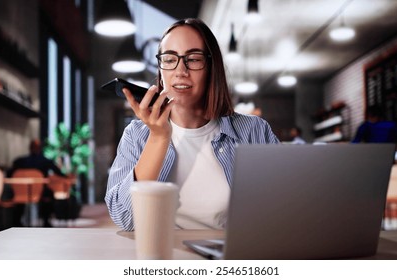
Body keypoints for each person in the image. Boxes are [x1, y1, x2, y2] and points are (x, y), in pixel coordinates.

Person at [105, 18, 280, 231]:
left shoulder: (254, 131)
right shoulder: (136, 135)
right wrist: (158, 138)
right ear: (161, 69)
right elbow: (124, 218)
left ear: (211, 67)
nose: (180, 71)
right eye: (169, 59)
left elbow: (278, 208)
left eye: (194, 59)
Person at [6, 139, 65, 227]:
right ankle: (46, 221)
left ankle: (17, 221)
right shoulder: (46, 161)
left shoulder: (19, 161)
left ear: (30, 148)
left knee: (17, 194)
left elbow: (9, 174)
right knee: (48, 194)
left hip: (21, 193)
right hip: (40, 193)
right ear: (40, 148)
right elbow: (59, 173)